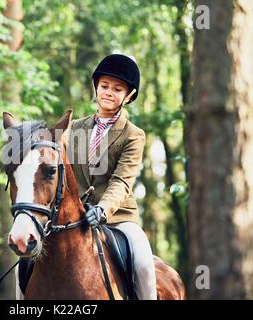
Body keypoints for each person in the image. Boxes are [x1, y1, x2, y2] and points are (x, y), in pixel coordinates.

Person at [68, 53, 157, 300]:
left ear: (128, 96)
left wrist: (103, 209)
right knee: (27, 260)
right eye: (104, 86)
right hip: (75, 217)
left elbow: (122, 180)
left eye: (117, 89)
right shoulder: (74, 128)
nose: (109, 92)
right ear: (96, 87)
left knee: (142, 264)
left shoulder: (133, 135)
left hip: (117, 218)